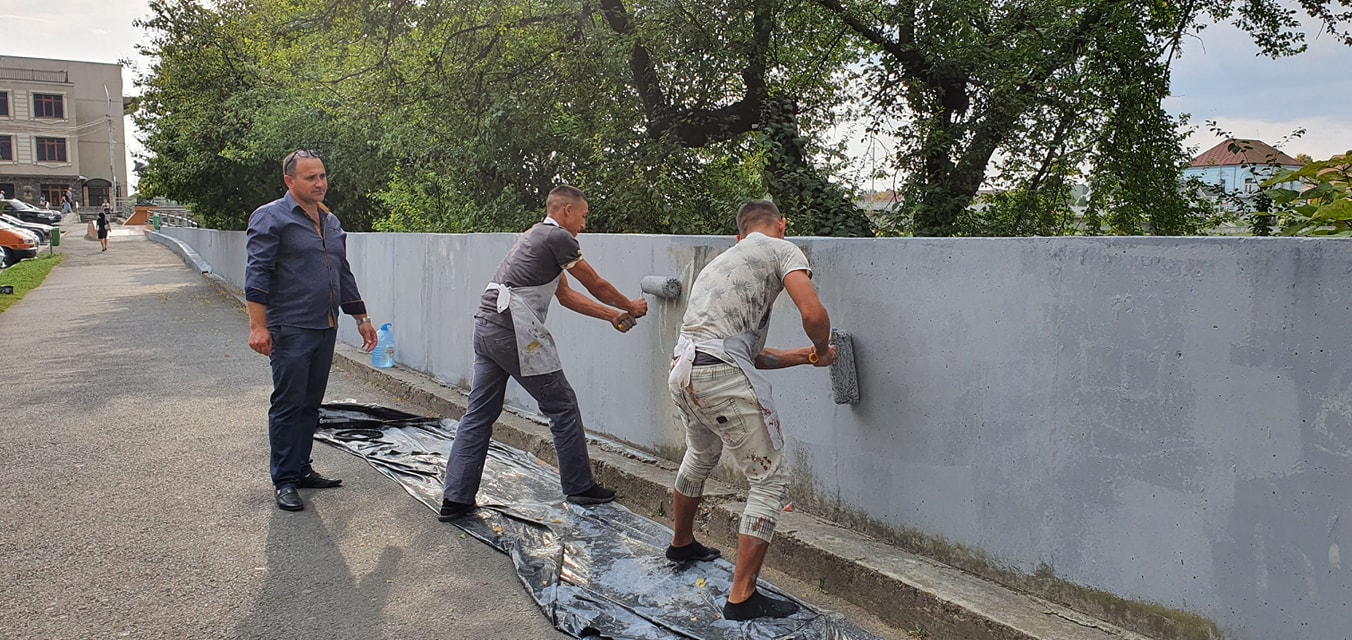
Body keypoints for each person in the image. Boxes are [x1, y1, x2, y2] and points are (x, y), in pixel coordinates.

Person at [664, 199, 837, 621]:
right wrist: (818, 347)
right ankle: (742, 597)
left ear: (738, 234)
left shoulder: (725, 260)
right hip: (718, 373)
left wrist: (802, 358)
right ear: (781, 224)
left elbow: (746, 353)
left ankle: (681, 544)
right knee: (769, 480)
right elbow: (812, 313)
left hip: (684, 369)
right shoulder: (782, 248)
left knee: (701, 454)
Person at [438, 185, 648, 519]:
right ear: (566, 210)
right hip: (513, 331)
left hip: (487, 326)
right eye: (582, 216)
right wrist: (630, 305)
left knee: (479, 414)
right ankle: (580, 487)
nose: (584, 225)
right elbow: (595, 284)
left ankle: (456, 499)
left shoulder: (534, 236)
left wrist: (612, 316)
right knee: (562, 405)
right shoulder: (560, 238)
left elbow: (566, 297)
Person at [245, 149, 379, 512]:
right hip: (290, 327)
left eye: (322, 176)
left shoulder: (330, 221)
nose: (320, 183)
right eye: (310, 178)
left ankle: (301, 468)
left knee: (310, 403)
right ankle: (285, 480)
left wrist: (361, 317)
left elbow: (342, 272)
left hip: (325, 325)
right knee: (289, 404)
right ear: (290, 182)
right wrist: (258, 326)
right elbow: (257, 275)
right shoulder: (270, 218)